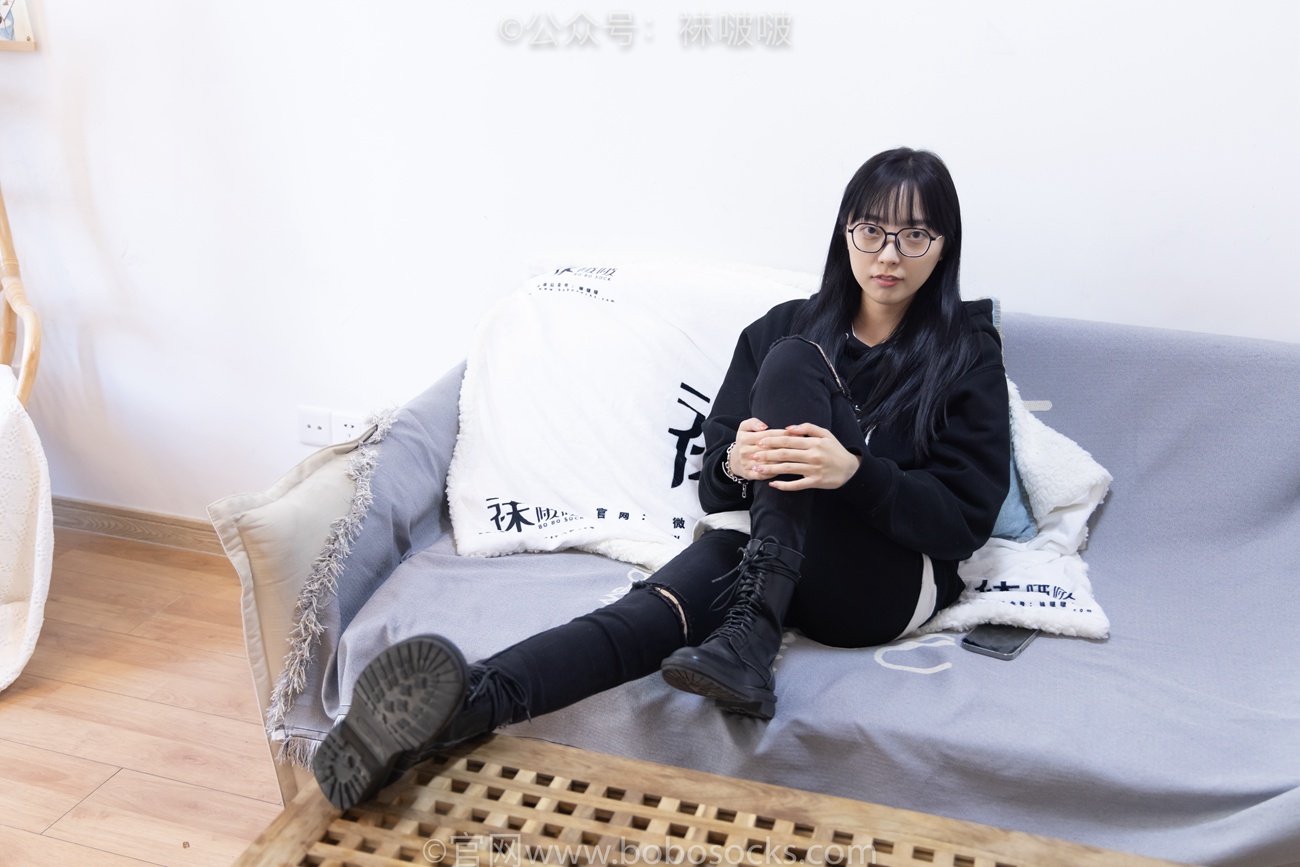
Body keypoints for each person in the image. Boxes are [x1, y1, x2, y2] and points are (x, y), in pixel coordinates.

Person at [312, 147, 1011, 811]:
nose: (888, 254)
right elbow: (716, 485)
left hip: (882, 581)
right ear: (845, 232)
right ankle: (460, 708)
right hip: (771, 553)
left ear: (943, 246)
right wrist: (736, 462)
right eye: (872, 230)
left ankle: (752, 633)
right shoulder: (781, 328)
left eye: (914, 235)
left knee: (797, 363)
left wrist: (854, 474)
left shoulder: (965, 352)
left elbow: (963, 520)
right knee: (644, 615)